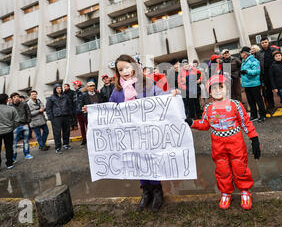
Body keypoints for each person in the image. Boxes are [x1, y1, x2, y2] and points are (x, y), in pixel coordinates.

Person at [101, 54, 179, 212]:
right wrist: (93, 111)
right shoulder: (117, 90)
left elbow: (160, 96)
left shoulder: (147, 84)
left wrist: (171, 94)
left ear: (134, 66)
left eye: (127, 67)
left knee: (151, 159)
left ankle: (157, 191)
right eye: (120, 69)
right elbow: (110, 108)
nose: (125, 71)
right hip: (131, 134)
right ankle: (146, 192)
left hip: (149, 132)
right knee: (138, 161)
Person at [186, 74, 261, 210]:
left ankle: (245, 191)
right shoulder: (208, 108)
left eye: (221, 87)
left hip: (236, 143)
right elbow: (204, 124)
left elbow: (246, 123)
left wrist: (254, 138)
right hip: (218, 145)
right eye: (213, 88)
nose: (218, 90)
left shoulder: (236, 105)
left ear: (227, 88)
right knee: (222, 169)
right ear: (209, 92)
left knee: (240, 167)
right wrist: (192, 123)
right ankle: (226, 193)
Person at [240, 46, 267, 122]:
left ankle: (262, 115)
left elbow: (257, 71)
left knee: (258, 100)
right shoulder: (243, 61)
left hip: (254, 84)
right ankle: (254, 115)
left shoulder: (253, 60)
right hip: (247, 85)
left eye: (241, 52)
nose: (240, 54)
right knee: (251, 101)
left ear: (245, 53)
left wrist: (247, 71)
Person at [46, 84, 73, 154]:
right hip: (56, 117)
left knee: (66, 131)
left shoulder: (65, 96)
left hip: (65, 116)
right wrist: (51, 118)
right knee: (57, 133)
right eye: (57, 88)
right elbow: (48, 109)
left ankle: (66, 144)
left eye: (60, 88)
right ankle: (58, 147)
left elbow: (69, 105)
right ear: (55, 89)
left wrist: (69, 114)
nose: (59, 89)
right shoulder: (51, 98)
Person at [10, 93, 33, 161]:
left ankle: (27, 154)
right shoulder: (10, 106)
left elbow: (28, 113)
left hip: (24, 125)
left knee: (26, 141)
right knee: (14, 143)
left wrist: (27, 122)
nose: (16, 98)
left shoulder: (24, 104)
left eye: (17, 96)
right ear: (11, 99)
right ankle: (13, 157)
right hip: (15, 127)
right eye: (14, 97)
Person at [256, 38, 277, 113]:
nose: (264, 44)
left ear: (268, 42)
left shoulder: (274, 49)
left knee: (280, 89)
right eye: (262, 43)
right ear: (260, 44)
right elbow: (258, 64)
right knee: (268, 91)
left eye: (265, 42)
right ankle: (271, 105)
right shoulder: (259, 53)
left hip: (275, 73)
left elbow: (279, 58)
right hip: (265, 74)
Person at [72, 80, 87, 146]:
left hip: (84, 112)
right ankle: (84, 139)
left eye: (74, 85)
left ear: (77, 85)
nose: (74, 86)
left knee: (88, 126)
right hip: (78, 112)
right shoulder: (75, 93)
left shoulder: (83, 91)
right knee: (82, 127)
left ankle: (89, 139)